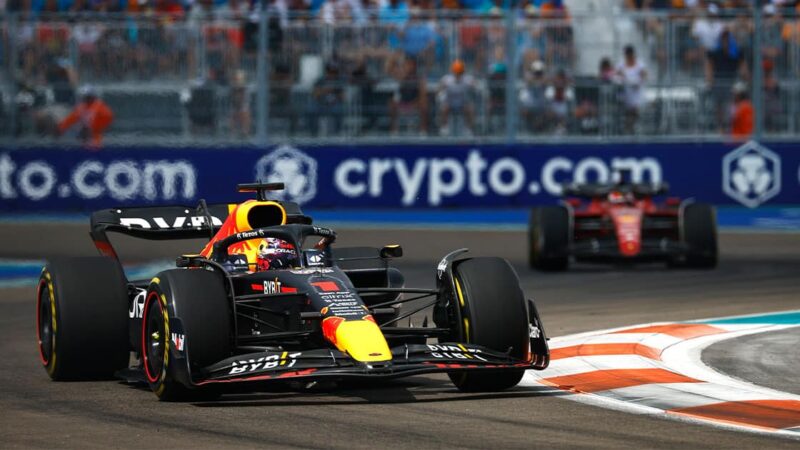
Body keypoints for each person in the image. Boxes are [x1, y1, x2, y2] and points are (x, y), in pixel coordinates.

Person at [388, 56, 428, 134]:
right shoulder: (401, 76)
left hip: (414, 102)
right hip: (402, 102)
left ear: (415, 66)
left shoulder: (418, 78)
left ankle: (423, 130)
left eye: (411, 64)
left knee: (424, 104)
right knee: (391, 104)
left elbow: (422, 93)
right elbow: (389, 69)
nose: (409, 66)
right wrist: (394, 56)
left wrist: (416, 102)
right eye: (407, 64)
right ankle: (394, 130)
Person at [437, 59, 476, 136]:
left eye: (460, 72)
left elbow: (475, 84)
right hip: (450, 103)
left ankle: (468, 129)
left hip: (462, 103)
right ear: (453, 71)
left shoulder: (467, 79)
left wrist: (474, 85)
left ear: (463, 72)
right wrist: (441, 91)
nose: (458, 74)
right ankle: (444, 127)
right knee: (444, 108)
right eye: (456, 72)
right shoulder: (447, 79)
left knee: (470, 108)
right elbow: (439, 88)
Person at [615, 45, 647, 134]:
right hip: (626, 92)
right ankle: (628, 127)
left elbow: (644, 75)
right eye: (627, 55)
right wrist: (620, 76)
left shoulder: (639, 63)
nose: (628, 56)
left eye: (629, 54)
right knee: (628, 111)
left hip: (636, 92)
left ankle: (631, 127)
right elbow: (616, 74)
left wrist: (639, 81)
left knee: (634, 109)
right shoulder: (621, 64)